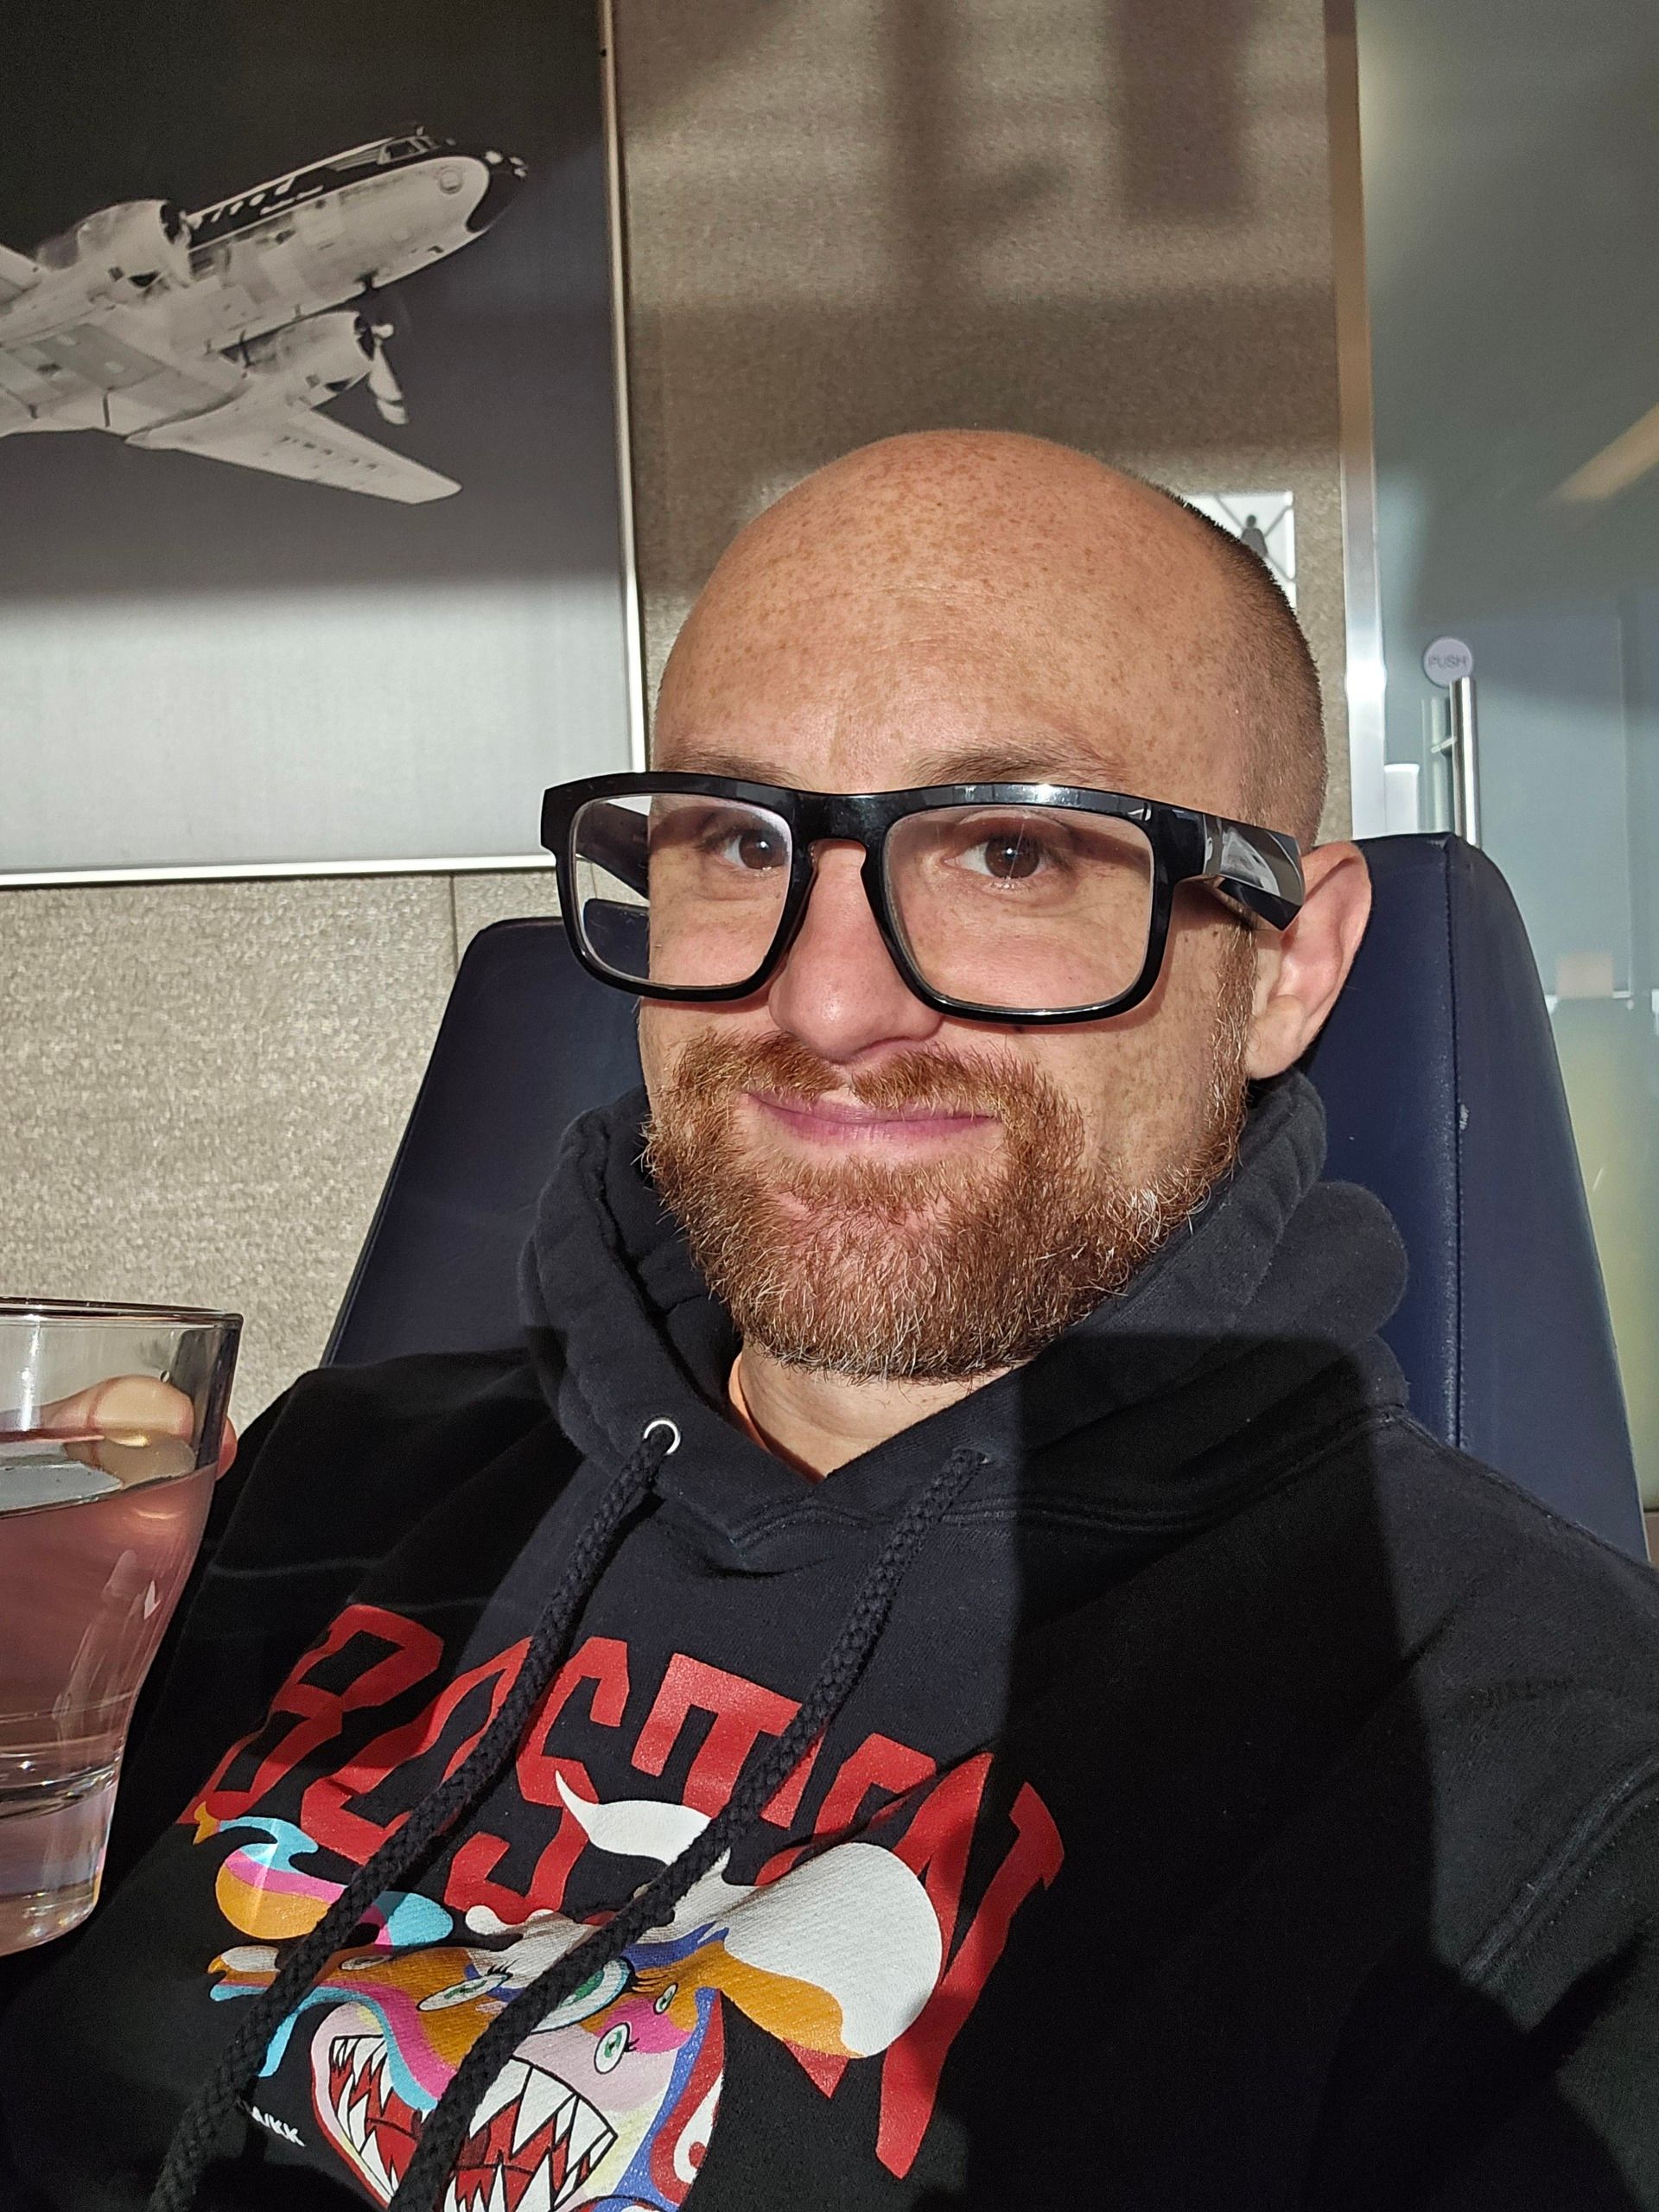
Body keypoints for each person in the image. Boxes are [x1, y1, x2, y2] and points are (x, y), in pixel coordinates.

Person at [3, 429, 1659, 2212]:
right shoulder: (303, 1490)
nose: (830, 1001)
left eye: (1014, 849)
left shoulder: (1533, 1782)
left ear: (1289, 963)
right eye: (736, 836)